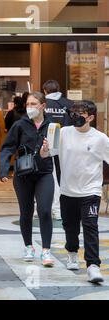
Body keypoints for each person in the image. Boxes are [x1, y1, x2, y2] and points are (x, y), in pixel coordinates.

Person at [41, 101, 109, 283]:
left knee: (90, 226)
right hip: (68, 191)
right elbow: (46, 154)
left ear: (91, 117)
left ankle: (93, 266)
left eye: (81, 113)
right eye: (74, 112)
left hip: (91, 191)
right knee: (70, 228)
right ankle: (72, 253)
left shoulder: (100, 138)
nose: (76, 116)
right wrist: (44, 149)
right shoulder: (62, 133)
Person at [0, 92, 55, 267]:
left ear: (43, 106)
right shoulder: (20, 125)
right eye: (28, 103)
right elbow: (7, 147)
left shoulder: (53, 125)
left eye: (33, 103)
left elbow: (59, 149)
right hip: (23, 174)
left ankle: (46, 250)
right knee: (26, 211)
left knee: (45, 210)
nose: (30, 107)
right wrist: (3, 170)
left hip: (44, 173)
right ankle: (28, 246)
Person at [43, 80, 74, 221]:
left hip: (48, 144)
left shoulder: (43, 104)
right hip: (68, 144)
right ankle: (63, 208)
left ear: (45, 91)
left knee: (51, 176)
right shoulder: (69, 104)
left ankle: (53, 208)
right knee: (65, 176)